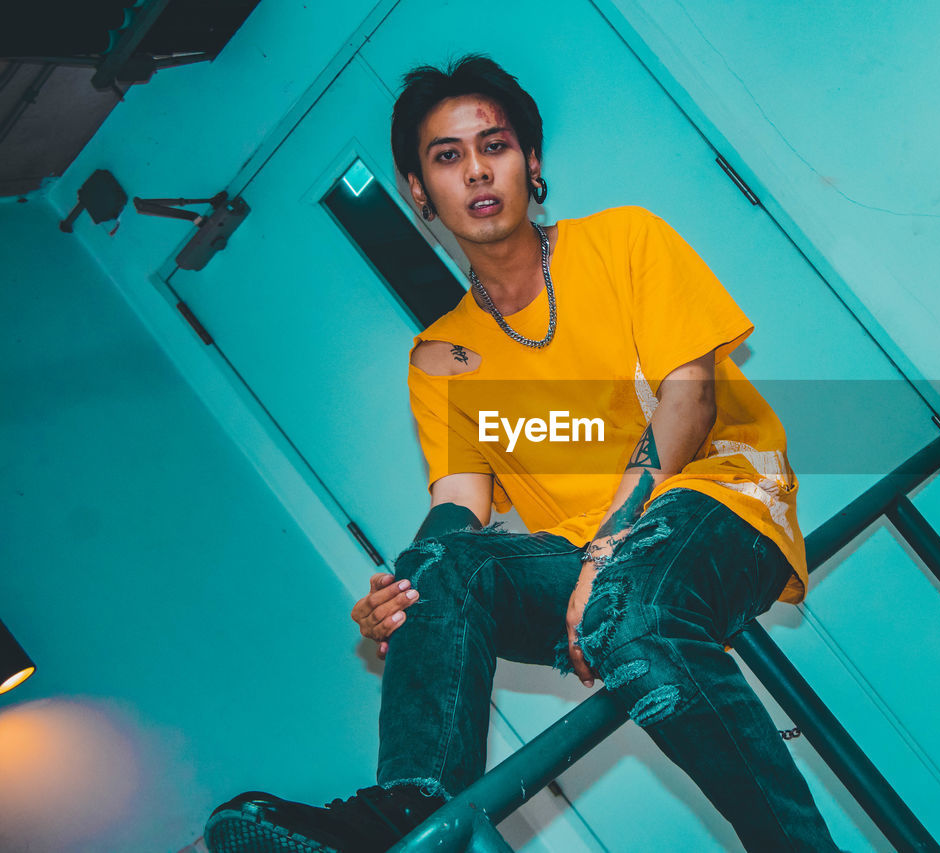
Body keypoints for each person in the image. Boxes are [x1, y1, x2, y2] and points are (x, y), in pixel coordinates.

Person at [204, 55, 841, 853]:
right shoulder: (438, 355)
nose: (475, 169)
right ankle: (408, 809)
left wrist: (611, 545)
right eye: (446, 155)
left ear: (530, 164)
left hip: (720, 497)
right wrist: (404, 592)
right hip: (584, 564)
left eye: (494, 145)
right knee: (439, 565)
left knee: (629, 614)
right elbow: (458, 501)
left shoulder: (625, 240)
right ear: (416, 190)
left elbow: (691, 398)